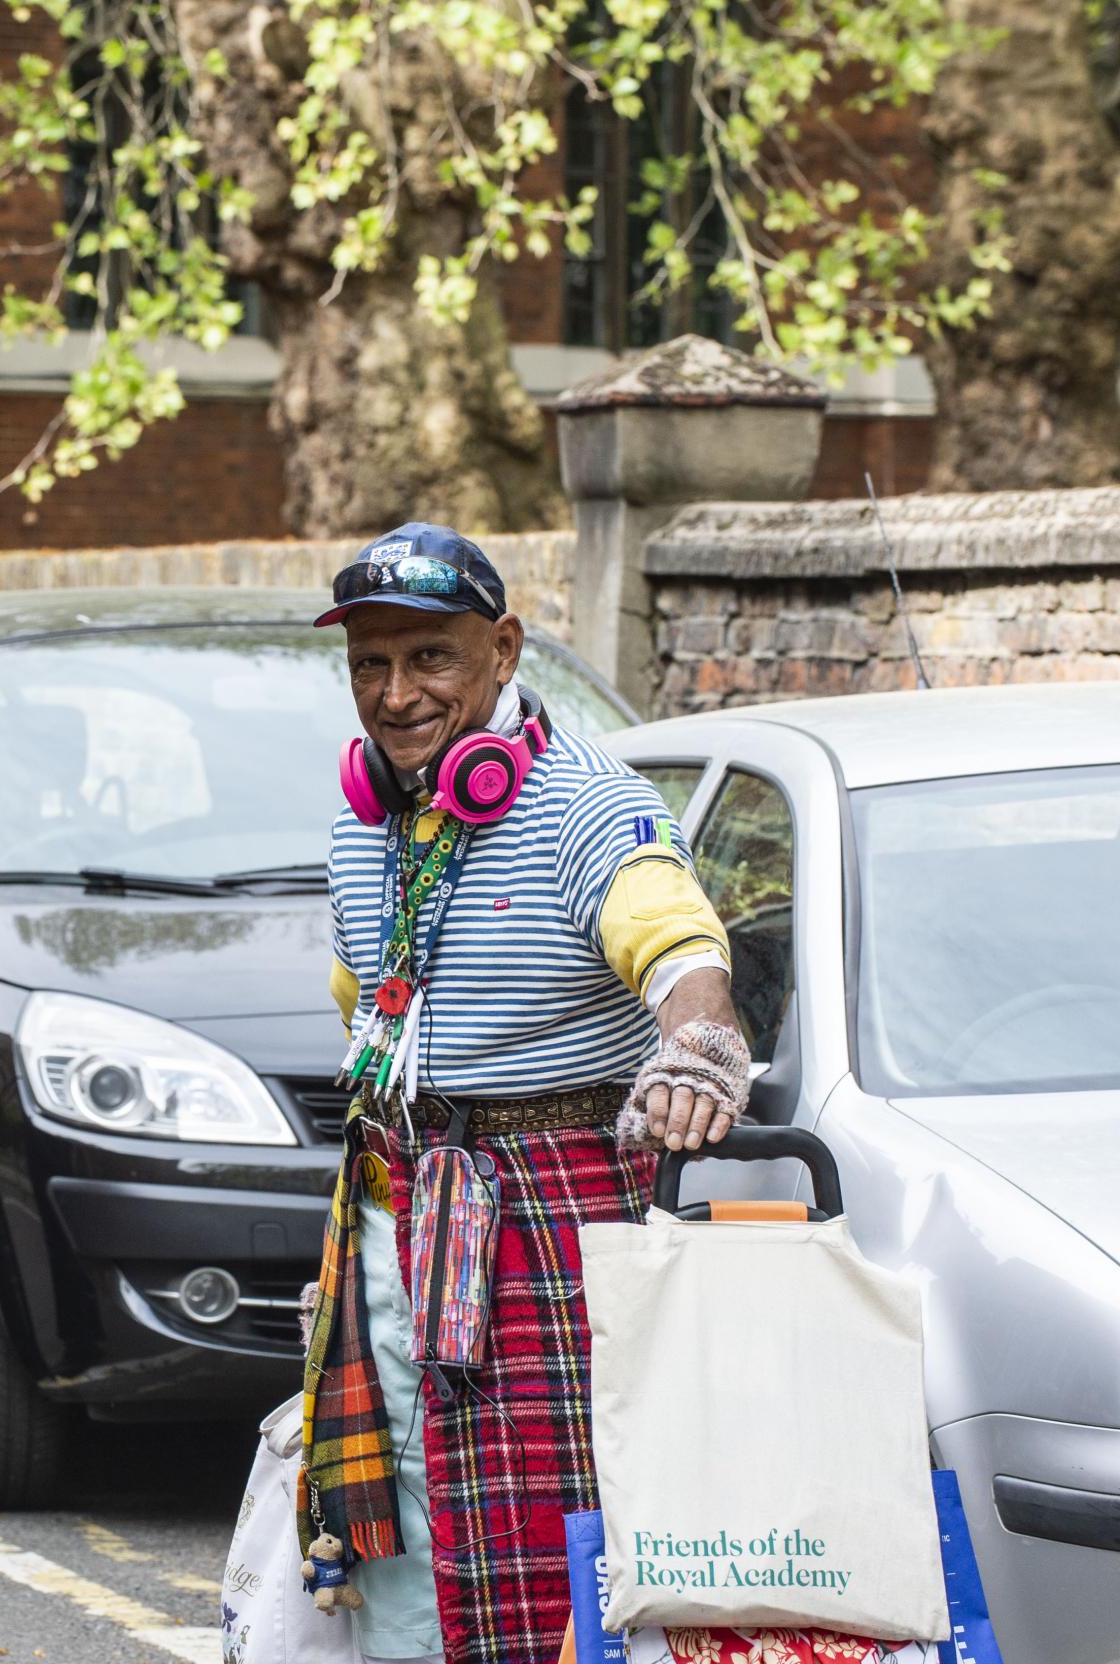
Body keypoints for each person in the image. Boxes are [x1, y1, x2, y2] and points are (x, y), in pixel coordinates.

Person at [301, 525, 750, 1664]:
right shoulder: (365, 822)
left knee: (551, 1527)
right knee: (401, 1505)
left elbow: (677, 942)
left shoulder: (587, 802)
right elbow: (367, 1005)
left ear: (502, 649)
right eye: (368, 664)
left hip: (542, 1216)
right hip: (395, 1203)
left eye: (428, 658)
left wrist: (697, 1046)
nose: (394, 695)